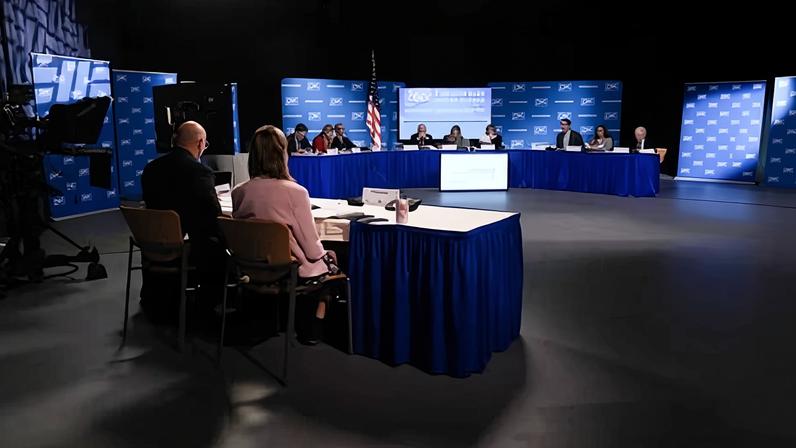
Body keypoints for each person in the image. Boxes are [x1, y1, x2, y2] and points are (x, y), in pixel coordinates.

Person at [232, 125, 342, 345]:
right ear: (283, 153)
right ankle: (312, 327)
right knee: (334, 260)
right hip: (289, 270)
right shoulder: (296, 192)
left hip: (251, 267)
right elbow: (312, 250)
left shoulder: (239, 192)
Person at [141, 121, 224, 323]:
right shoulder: (199, 172)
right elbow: (214, 216)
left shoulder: (151, 169)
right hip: (184, 247)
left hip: (153, 244)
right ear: (200, 143)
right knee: (220, 246)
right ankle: (209, 309)